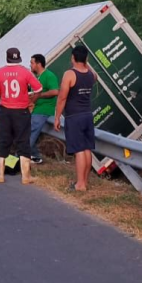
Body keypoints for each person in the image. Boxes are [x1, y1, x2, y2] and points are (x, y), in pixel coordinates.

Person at [0, 47, 43, 185]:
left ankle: (0, 175)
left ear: (7, 58)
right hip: (22, 112)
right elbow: (38, 89)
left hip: (6, 111)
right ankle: (26, 177)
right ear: (18, 58)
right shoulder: (25, 72)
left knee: (3, 141)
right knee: (23, 142)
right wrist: (31, 102)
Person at [54, 46, 96, 191]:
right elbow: (93, 75)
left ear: (72, 58)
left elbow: (62, 97)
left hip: (74, 116)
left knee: (79, 149)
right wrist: (86, 63)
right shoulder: (91, 75)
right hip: (87, 115)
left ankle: (80, 184)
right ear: (86, 59)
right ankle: (84, 181)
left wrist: (57, 117)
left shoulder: (69, 74)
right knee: (87, 149)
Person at [27, 54, 59, 165]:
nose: (30, 65)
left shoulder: (49, 75)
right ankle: (35, 156)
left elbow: (55, 91)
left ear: (38, 64)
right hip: (36, 109)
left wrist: (39, 95)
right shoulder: (37, 77)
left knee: (30, 133)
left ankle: (21, 156)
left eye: (32, 63)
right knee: (29, 132)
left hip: (43, 110)